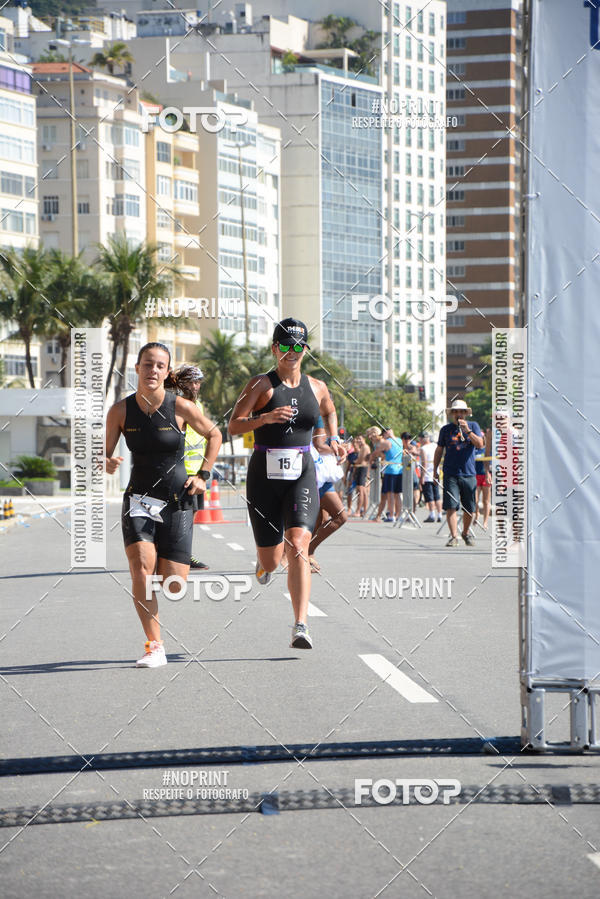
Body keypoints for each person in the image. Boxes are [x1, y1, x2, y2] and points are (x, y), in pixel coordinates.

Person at [228, 318, 345, 649]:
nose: (291, 352)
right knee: (271, 561)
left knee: (298, 544)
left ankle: (300, 624)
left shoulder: (317, 387)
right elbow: (234, 426)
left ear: (305, 350)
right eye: (284, 346)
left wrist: (334, 437)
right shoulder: (260, 385)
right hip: (263, 476)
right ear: (274, 349)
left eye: (298, 346)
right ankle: (264, 561)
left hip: (301, 473)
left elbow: (329, 410)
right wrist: (264, 418)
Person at [105, 342, 222, 667]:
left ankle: (162, 562)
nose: (152, 370)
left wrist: (204, 475)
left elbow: (215, 435)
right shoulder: (120, 411)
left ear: (167, 372)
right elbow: (104, 453)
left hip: (177, 499)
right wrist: (106, 462)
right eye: (147, 364)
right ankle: (154, 646)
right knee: (140, 569)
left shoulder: (181, 407)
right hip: (139, 498)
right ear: (137, 368)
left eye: (159, 365)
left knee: (173, 584)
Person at [165, 364, 209, 570]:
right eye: (191, 382)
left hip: (197, 470)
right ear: (181, 383)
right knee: (179, 516)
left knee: (191, 515)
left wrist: (203, 471)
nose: (196, 386)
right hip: (181, 470)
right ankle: (176, 555)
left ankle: (184, 554)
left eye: (198, 382)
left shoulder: (197, 405)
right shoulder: (175, 404)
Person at [433, 399, 484, 547]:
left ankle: (465, 533)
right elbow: (439, 450)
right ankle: (454, 536)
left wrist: (467, 431)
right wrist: (435, 469)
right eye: (455, 412)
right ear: (452, 414)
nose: (458, 414)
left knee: (469, 508)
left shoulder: (473, 426)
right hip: (451, 473)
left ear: (466, 413)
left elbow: (480, 444)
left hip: (469, 473)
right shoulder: (445, 429)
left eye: (461, 411)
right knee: (451, 505)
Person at [305, 416, 348, 570]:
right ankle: (306, 551)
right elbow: (318, 446)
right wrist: (338, 450)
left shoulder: (326, 419)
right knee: (340, 516)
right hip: (317, 475)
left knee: (320, 520)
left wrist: (336, 446)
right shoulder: (319, 417)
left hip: (321, 475)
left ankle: (306, 555)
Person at [371, 427, 403, 522]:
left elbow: (376, 453)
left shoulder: (386, 442)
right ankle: (398, 515)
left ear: (385, 433)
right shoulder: (399, 440)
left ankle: (391, 515)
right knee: (397, 494)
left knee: (390, 494)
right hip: (399, 469)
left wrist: (377, 454)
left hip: (390, 470)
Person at [420, 432, 442, 522]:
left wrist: (422, 476)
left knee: (430, 496)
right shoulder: (435, 446)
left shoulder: (423, 448)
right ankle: (439, 514)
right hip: (435, 474)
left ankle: (432, 514)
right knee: (437, 496)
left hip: (428, 475)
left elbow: (424, 463)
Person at [474, 426, 492, 529]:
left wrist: (488, 474)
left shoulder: (487, 450)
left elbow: (490, 463)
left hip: (486, 476)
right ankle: (477, 514)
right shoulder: (474, 450)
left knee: (486, 501)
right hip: (476, 475)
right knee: (475, 499)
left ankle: (485, 522)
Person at [351, 434, 370, 517]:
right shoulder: (362, 447)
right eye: (358, 439)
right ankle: (363, 510)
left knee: (361, 491)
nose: (359, 440)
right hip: (360, 468)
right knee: (362, 491)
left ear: (364, 439)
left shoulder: (365, 447)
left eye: (360, 439)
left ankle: (359, 511)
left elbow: (361, 460)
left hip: (363, 469)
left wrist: (353, 462)